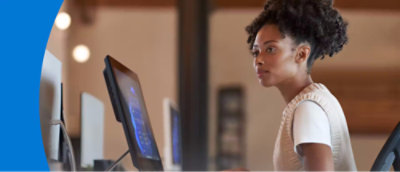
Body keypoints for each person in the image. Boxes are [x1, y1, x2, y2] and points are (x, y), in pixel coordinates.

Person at [245, 0, 357, 170]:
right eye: (256, 52)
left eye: (270, 49)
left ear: (301, 54)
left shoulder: (308, 109)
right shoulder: (310, 102)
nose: (258, 60)